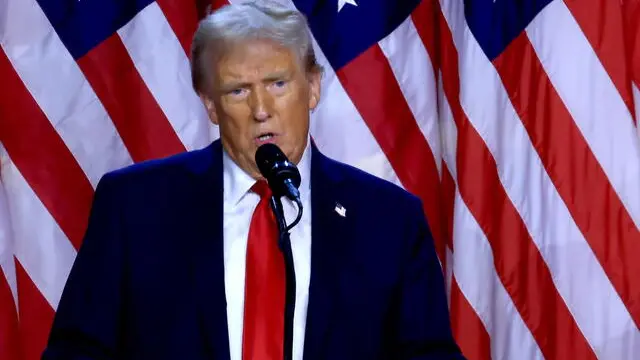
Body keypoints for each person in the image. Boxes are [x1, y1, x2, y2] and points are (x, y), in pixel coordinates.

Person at [42, 2, 464, 359]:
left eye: (278, 84)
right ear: (210, 104)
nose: (261, 108)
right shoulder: (135, 207)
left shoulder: (388, 220)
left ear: (313, 87)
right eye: (238, 91)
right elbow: (77, 350)